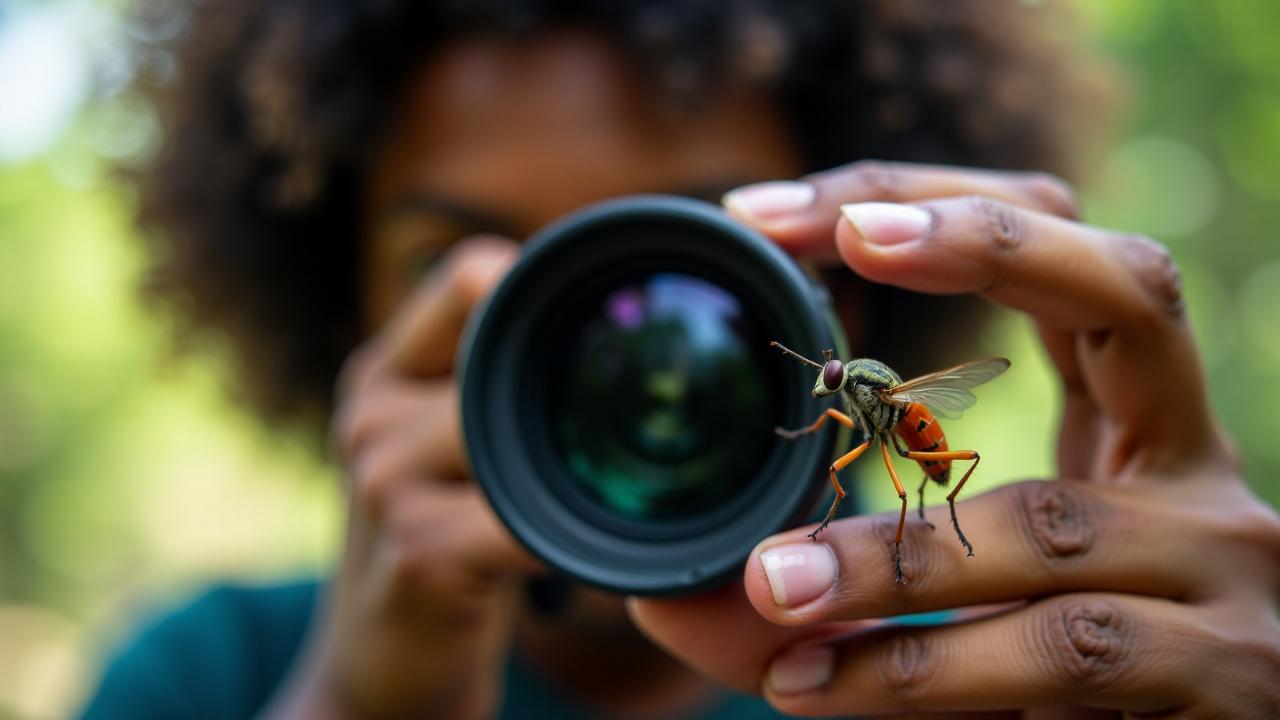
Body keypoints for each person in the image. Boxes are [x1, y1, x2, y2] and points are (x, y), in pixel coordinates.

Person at [82, 1, 1280, 718]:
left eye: (700, 248)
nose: (606, 342)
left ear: (849, 288)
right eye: (464, 261)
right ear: (339, 308)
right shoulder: (209, 678)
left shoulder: (1027, 672)